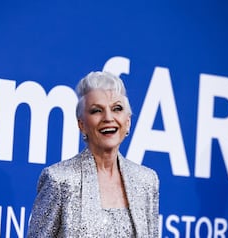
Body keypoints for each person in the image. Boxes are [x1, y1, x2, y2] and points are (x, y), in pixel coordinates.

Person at [27, 71, 159, 237]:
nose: (108, 118)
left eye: (117, 109)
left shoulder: (146, 181)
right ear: (81, 124)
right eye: (97, 111)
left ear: (128, 121)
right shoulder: (59, 180)